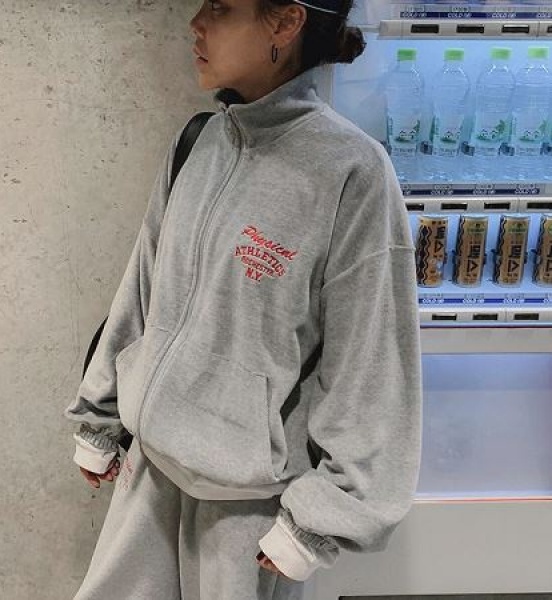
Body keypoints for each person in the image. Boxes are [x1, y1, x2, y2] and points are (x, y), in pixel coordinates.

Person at [63, 0, 422, 598]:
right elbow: (142, 288)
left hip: (247, 515)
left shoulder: (351, 171)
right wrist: (99, 415)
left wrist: (319, 521)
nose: (196, 22)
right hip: (147, 480)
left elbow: (372, 364)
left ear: (285, 21)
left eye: (221, 7)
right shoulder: (197, 141)